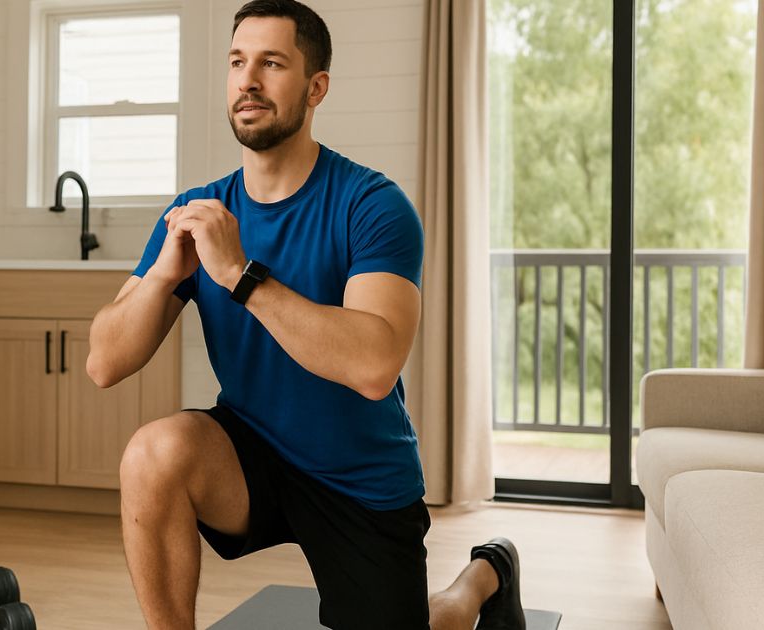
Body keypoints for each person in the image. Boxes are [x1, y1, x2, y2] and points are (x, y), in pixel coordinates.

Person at [87, 1, 525, 628]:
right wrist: (164, 273)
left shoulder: (372, 204)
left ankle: (480, 580)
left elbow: (374, 364)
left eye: (272, 63)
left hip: (360, 479)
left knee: (428, 623)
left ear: (316, 86)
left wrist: (240, 275)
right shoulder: (196, 211)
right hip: (251, 457)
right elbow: (103, 363)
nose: (248, 80)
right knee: (153, 453)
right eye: (238, 62)